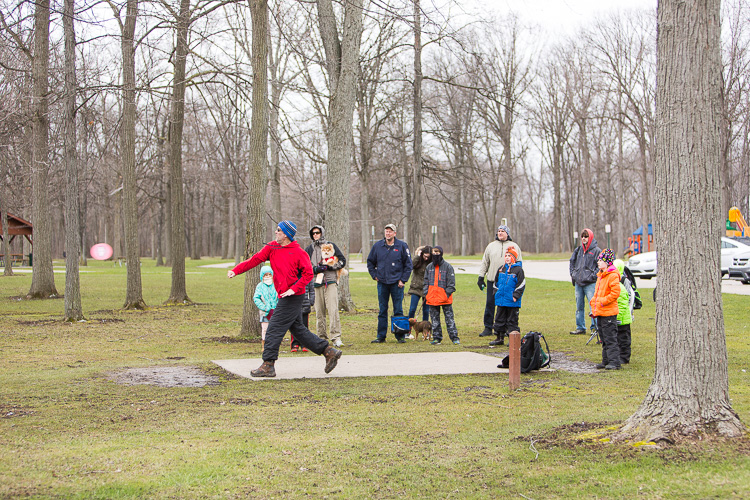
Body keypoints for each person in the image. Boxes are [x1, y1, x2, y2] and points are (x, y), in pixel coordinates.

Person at [227, 220, 341, 377]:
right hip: (284, 295)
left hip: (294, 296)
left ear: (287, 234)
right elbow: (255, 260)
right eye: (276, 229)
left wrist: (293, 289)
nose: (276, 232)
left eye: (279, 230)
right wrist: (236, 270)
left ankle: (268, 364)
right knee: (298, 330)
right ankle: (329, 351)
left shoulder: (299, 252)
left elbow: (308, 274)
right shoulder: (271, 247)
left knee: (273, 328)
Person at [367, 223, 413, 343]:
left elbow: (408, 265)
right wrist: (374, 275)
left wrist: (403, 280)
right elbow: (370, 262)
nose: (388, 233)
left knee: (398, 309)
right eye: (386, 231)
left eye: (390, 231)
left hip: (397, 283)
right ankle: (381, 336)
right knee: (382, 310)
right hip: (382, 282)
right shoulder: (378, 246)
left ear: (394, 233)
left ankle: (400, 335)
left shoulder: (402, 246)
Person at [305, 225, 346, 348]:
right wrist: (315, 269)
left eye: (317, 232)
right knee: (319, 311)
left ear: (322, 233)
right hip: (316, 282)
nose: (315, 235)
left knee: (333, 310)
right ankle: (321, 337)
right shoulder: (309, 249)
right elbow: (304, 266)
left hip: (330, 281)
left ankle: (336, 336)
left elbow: (342, 260)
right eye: (313, 233)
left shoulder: (331, 245)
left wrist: (331, 267)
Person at [477, 225, 522, 337]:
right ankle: (488, 327)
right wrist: (481, 277)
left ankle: (507, 328)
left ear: (507, 233)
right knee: (490, 304)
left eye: (503, 231)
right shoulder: (491, 246)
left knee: (507, 306)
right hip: (493, 280)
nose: (500, 233)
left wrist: (517, 279)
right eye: (498, 231)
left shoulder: (514, 246)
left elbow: (519, 263)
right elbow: (485, 262)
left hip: (508, 282)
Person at [590, 249, 621, 370]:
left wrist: (602, 302)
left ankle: (614, 362)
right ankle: (606, 360)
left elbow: (615, 293)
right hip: (601, 312)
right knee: (603, 338)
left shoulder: (612, 276)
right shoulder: (600, 276)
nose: (598, 262)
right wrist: (594, 302)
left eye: (601, 260)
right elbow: (597, 293)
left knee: (610, 338)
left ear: (607, 262)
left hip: (609, 313)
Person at [423, 246, 460, 345]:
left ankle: (454, 338)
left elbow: (451, 284)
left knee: (449, 319)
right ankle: (437, 338)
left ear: (441, 253)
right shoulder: (429, 267)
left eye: (437, 252)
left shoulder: (448, 267)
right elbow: (425, 282)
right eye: (433, 252)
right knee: (435, 320)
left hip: (445, 299)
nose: (435, 254)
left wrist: (446, 294)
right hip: (432, 298)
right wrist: (426, 293)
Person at [489, 247, 525, 347]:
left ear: (514, 257)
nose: (507, 258)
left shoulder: (518, 270)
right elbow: (496, 283)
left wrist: (515, 296)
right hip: (501, 300)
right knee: (499, 318)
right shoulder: (501, 268)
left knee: (512, 320)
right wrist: (496, 293)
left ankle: (512, 338)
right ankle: (499, 337)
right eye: (506, 256)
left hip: (512, 301)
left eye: (509, 256)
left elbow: (521, 284)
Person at [569, 228, 602, 335]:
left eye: (586, 236)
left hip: (590, 283)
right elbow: (572, 262)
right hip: (578, 283)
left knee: (593, 306)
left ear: (590, 237)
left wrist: (592, 276)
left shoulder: (596, 251)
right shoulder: (578, 250)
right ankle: (580, 327)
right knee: (579, 307)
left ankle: (595, 328)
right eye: (582, 236)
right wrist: (573, 274)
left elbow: (600, 266)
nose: (584, 238)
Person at [613, 259, 635, 365]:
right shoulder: (614, 281)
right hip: (617, 314)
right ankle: (619, 355)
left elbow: (629, 298)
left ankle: (625, 357)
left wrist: (629, 312)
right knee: (617, 337)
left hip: (624, 315)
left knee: (624, 338)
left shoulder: (624, 282)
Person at [252, 265, 278, 349]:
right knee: (265, 329)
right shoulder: (260, 286)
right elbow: (256, 298)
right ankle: (264, 344)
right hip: (265, 312)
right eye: (265, 275)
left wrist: (278, 306)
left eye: (269, 274)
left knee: (274, 329)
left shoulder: (276, 284)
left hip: (275, 310)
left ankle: (273, 345)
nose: (268, 276)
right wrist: (263, 307)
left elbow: (279, 296)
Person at [407, 245, 432, 330]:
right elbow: (411, 265)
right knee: (412, 309)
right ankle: (408, 330)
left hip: (427, 289)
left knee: (426, 311)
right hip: (416, 288)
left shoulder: (431, 262)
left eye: (428, 257)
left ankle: (425, 330)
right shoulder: (417, 260)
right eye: (425, 256)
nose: (426, 258)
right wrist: (417, 256)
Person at [292, 280, 315, 353]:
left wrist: (311, 301)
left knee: (305, 325)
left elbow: (312, 290)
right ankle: (295, 343)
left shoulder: (308, 276)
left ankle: (304, 344)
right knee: (295, 325)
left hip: (305, 304)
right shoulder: (293, 274)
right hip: (295, 304)